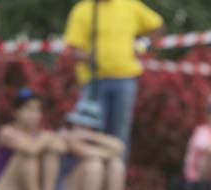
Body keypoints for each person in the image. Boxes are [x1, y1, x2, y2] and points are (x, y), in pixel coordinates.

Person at [63, 0, 163, 156]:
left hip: (125, 79)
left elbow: (158, 26)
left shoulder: (129, 5)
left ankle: (115, 175)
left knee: (120, 134)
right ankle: (94, 175)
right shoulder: (83, 9)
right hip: (94, 82)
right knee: (90, 134)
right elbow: (74, 48)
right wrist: (92, 58)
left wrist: (142, 45)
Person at [57, 96, 126, 190]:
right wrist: (108, 153)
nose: (83, 128)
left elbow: (120, 147)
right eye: (80, 124)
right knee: (94, 164)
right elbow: (84, 152)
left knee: (116, 164)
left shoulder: (94, 138)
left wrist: (91, 136)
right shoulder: (65, 135)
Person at [0, 89, 66, 190]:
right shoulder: (7, 131)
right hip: (3, 189)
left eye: (37, 110)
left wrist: (47, 140)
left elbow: (61, 147)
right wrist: (47, 139)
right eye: (28, 109)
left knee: (51, 155)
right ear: (15, 112)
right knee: (27, 157)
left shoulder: (41, 135)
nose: (33, 114)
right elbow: (31, 149)